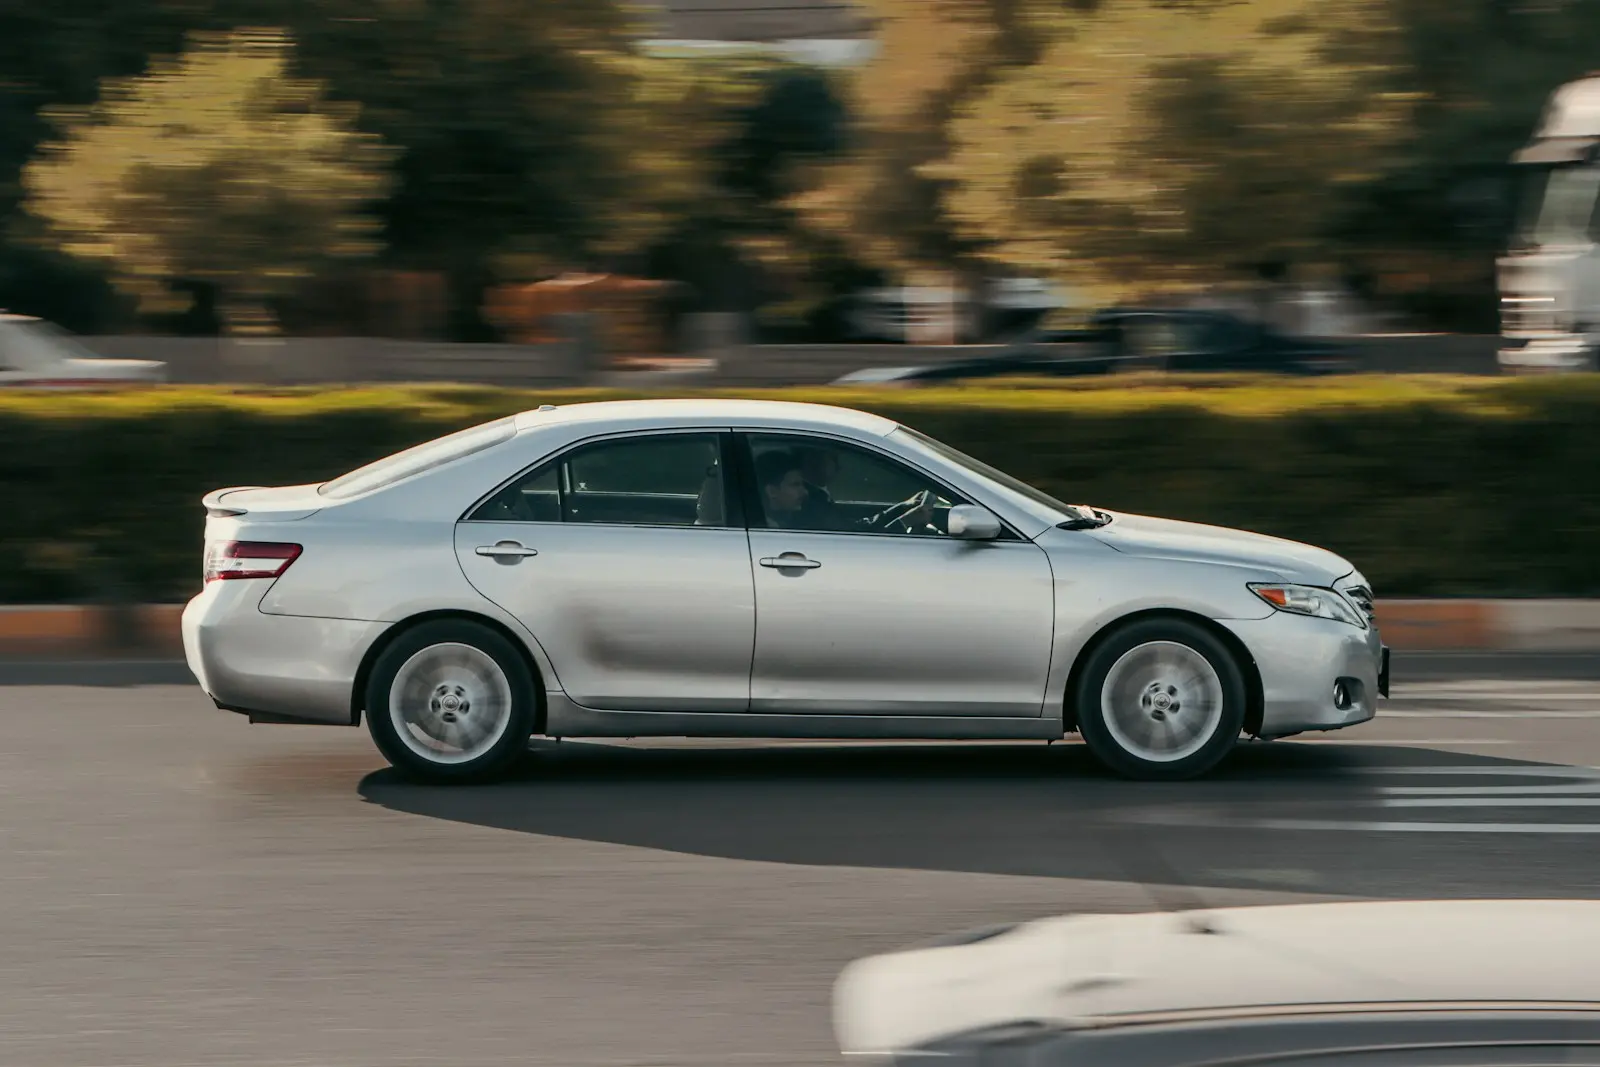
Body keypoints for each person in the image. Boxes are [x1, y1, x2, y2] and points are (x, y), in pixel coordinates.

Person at [754, 449, 809, 527]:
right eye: (795, 485)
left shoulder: (800, 520)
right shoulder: (764, 528)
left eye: (803, 485)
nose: (805, 492)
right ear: (772, 491)